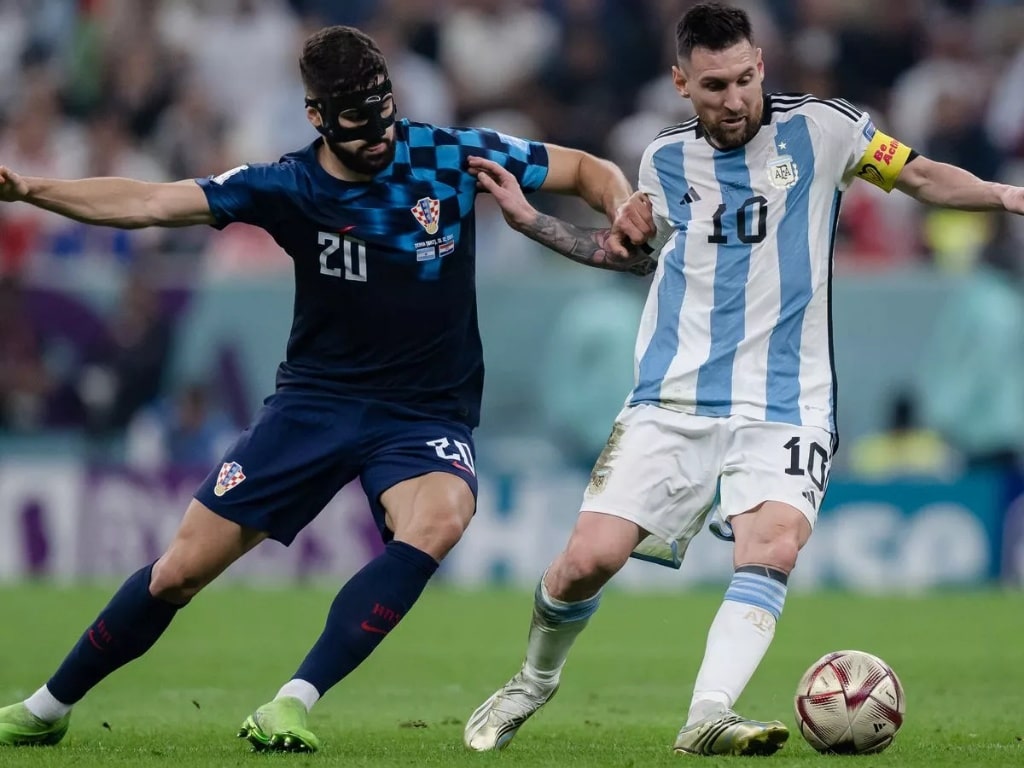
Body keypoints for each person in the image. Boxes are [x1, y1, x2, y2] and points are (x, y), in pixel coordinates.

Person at [0, 26, 653, 753]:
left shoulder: (444, 153)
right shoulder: (288, 186)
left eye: (384, 116)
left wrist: (622, 202)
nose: (379, 138)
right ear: (316, 117)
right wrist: (30, 189)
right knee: (179, 572)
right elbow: (149, 201)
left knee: (439, 519)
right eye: (359, 126)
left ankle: (291, 702)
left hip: (422, 413)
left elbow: (588, 170)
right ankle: (45, 707)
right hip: (315, 403)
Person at [461, 2, 1024, 757]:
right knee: (584, 562)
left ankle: (709, 712)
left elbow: (918, 175)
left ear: (762, 65)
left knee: (774, 547)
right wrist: (531, 222)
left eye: (745, 79)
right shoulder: (663, 160)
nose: (734, 99)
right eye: (715, 85)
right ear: (681, 83)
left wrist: (1004, 195)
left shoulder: (828, 129)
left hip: (789, 402)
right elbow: (628, 255)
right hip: (673, 396)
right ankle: (531, 681)